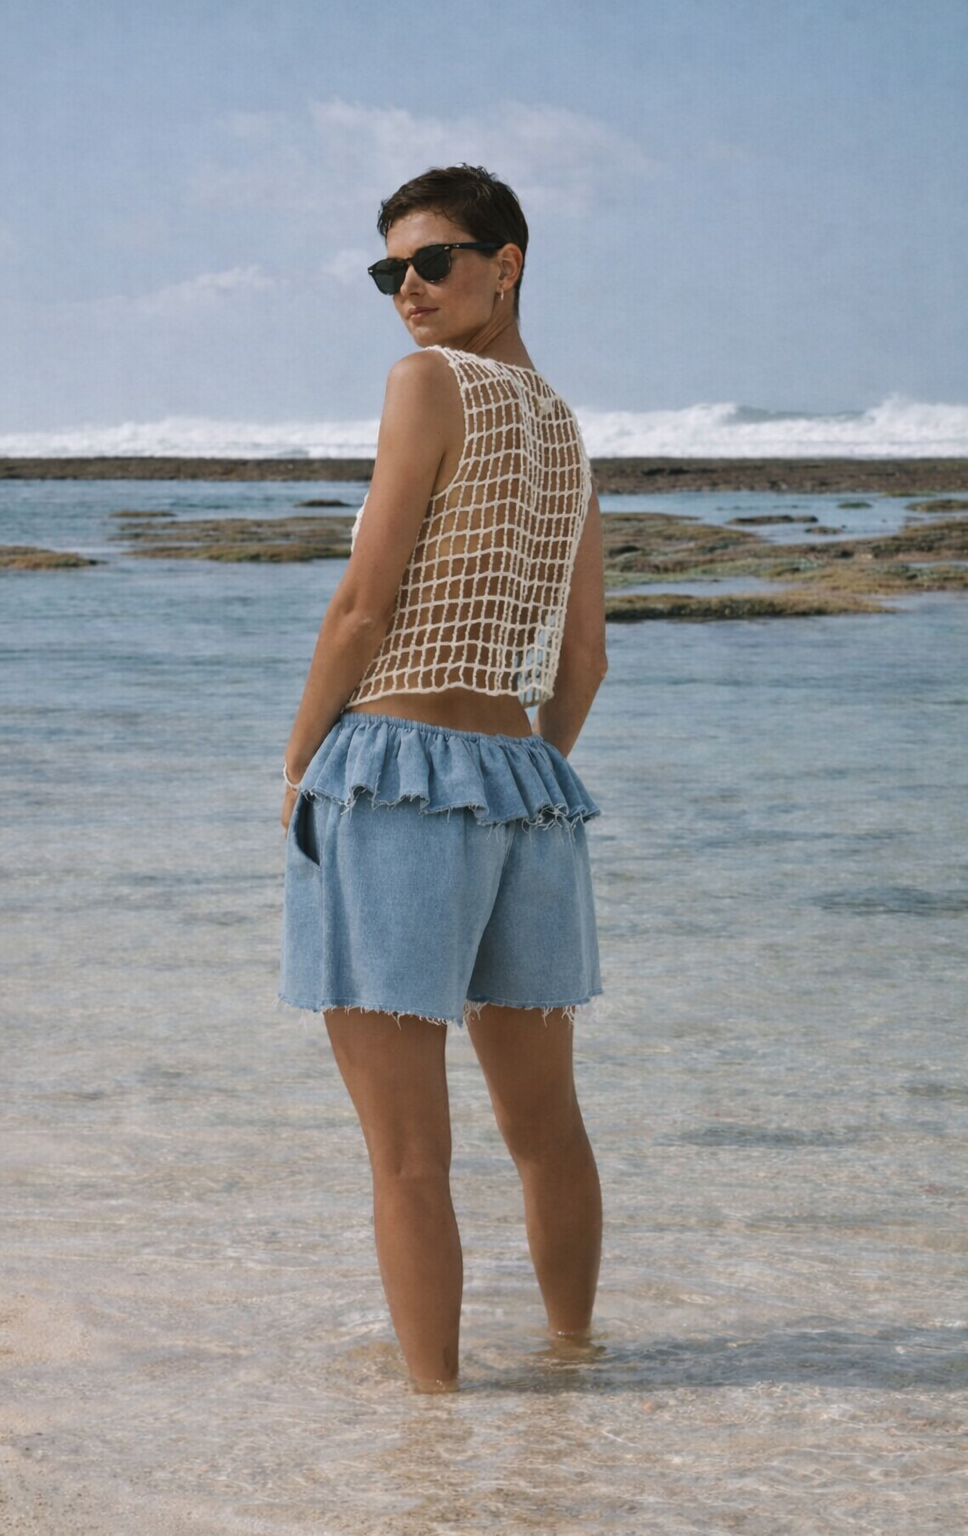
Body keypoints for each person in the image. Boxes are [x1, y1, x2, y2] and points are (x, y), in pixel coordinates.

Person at [278, 164, 607, 1392]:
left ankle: (433, 1430)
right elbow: (584, 659)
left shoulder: (428, 386)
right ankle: (574, 1368)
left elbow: (363, 606)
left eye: (432, 263)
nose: (406, 292)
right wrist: (523, 772)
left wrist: (302, 756)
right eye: (388, 273)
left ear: (504, 262)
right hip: (524, 781)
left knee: (408, 1157)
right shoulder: (566, 426)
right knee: (544, 1129)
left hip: (394, 768)